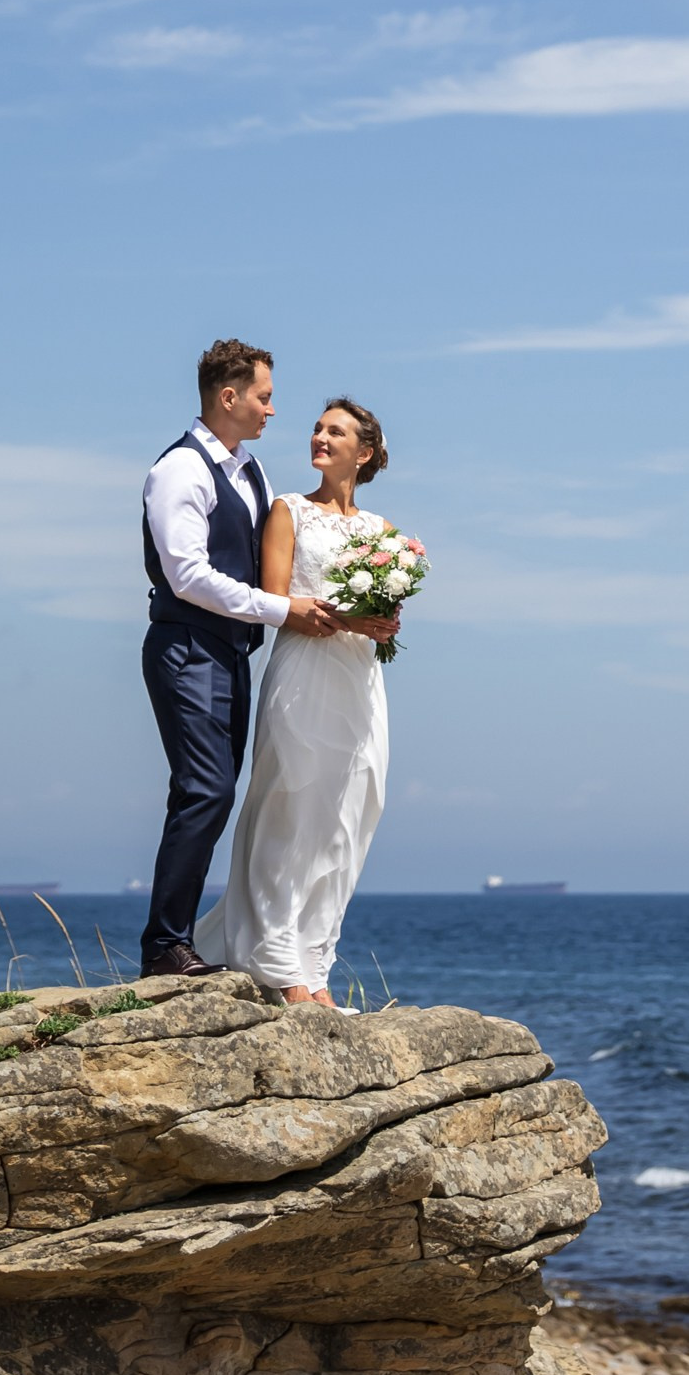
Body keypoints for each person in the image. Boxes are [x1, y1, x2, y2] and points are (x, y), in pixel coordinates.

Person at [138, 338, 339, 978]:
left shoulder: (251, 472)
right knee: (205, 790)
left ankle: (179, 941)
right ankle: (165, 947)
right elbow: (188, 576)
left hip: (231, 654)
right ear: (230, 397)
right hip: (185, 649)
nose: (271, 410)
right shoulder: (180, 471)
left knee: (216, 796)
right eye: (264, 396)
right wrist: (281, 612)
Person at [195, 397, 398, 1004]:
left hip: (359, 682)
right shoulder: (287, 511)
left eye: (335, 432)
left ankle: (316, 960)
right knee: (291, 804)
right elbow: (279, 603)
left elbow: (383, 612)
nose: (318, 437)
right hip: (304, 673)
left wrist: (383, 622)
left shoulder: (380, 532)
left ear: (363, 453)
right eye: (316, 428)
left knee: (351, 812)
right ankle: (277, 957)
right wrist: (357, 623)